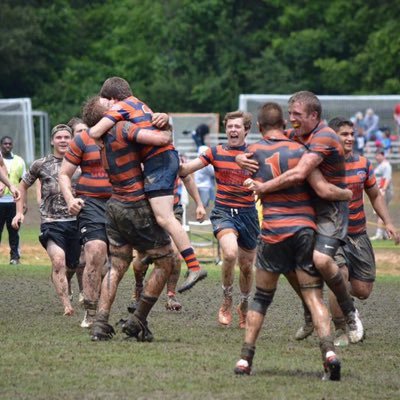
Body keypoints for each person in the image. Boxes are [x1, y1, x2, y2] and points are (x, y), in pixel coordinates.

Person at [233, 102, 352, 380]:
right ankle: (329, 354)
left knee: (261, 298)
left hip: (274, 230)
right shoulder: (302, 151)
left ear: (260, 127)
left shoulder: (254, 152)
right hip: (304, 229)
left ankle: (244, 359)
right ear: (283, 125)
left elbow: (244, 177)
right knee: (313, 296)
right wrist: (345, 194)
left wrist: (242, 159)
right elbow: (318, 186)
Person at [88, 76, 207, 292]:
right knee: (159, 217)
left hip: (159, 161)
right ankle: (152, 256)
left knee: (165, 217)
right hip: (162, 160)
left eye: (107, 103)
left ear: (113, 98)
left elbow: (94, 131)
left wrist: (100, 141)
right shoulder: (140, 104)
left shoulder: (122, 107)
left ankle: (194, 266)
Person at [81, 96, 176, 342]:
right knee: (166, 261)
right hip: (134, 203)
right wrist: (166, 121)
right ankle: (137, 320)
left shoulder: (101, 140)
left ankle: (100, 323)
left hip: (114, 206)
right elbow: (163, 139)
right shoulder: (122, 127)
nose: (117, 108)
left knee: (117, 265)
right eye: (110, 107)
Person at [323, 117, 400, 346]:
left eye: (351, 134)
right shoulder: (322, 165)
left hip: (358, 234)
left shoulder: (363, 164)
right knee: (340, 277)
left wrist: (388, 222)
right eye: (343, 133)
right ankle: (340, 328)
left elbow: (375, 195)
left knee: (363, 290)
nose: (349, 138)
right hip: (332, 234)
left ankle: (342, 301)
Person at [180, 111, 259, 329]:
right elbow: (187, 169)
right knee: (230, 253)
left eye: (237, 126)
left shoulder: (255, 153)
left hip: (249, 214)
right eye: (230, 126)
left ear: (246, 130)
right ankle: (226, 300)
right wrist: (173, 161)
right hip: (223, 211)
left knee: (246, 266)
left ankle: (244, 305)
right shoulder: (214, 152)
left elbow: (270, 175)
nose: (233, 130)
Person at [12, 124, 81, 316]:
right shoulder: (40, 164)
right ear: (52, 141)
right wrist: (20, 211)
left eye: (67, 137)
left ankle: (63, 282)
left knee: (73, 264)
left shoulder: (80, 163)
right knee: (58, 261)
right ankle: (67, 305)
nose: (63, 141)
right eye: (59, 137)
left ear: (72, 140)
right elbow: (23, 186)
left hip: (76, 221)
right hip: (51, 221)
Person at [59, 116, 113, 328]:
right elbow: (64, 174)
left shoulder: (125, 136)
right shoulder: (82, 140)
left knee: (113, 263)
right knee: (95, 251)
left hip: (121, 204)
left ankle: (101, 306)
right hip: (90, 203)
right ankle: (91, 313)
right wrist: (70, 200)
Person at [128, 173, 206, 312]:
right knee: (141, 258)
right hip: (147, 211)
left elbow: (187, 178)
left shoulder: (173, 157)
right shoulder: (141, 158)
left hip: (172, 209)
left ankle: (171, 296)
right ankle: (138, 289)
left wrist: (199, 204)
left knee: (174, 254)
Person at [0, 136, 25, 264]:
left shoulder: (19, 161)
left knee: (14, 231)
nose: (7, 146)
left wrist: (23, 203)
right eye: (5, 144)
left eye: (10, 143)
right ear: (1, 145)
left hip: (13, 201)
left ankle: (14, 257)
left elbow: (23, 182)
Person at [370, 150, 394, 240]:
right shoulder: (380, 165)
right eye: (376, 155)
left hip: (383, 191)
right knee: (379, 212)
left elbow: (386, 178)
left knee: (381, 211)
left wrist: (383, 190)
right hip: (379, 190)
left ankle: (379, 234)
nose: (376, 157)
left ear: (383, 155)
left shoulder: (386, 165)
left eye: (378, 155)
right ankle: (384, 234)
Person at [194, 145, 215, 210]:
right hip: (205, 186)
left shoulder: (196, 161)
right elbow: (212, 172)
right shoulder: (205, 163)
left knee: (198, 205)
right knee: (203, 206)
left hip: (196, 185)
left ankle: (199, 219)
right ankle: (202, 219)